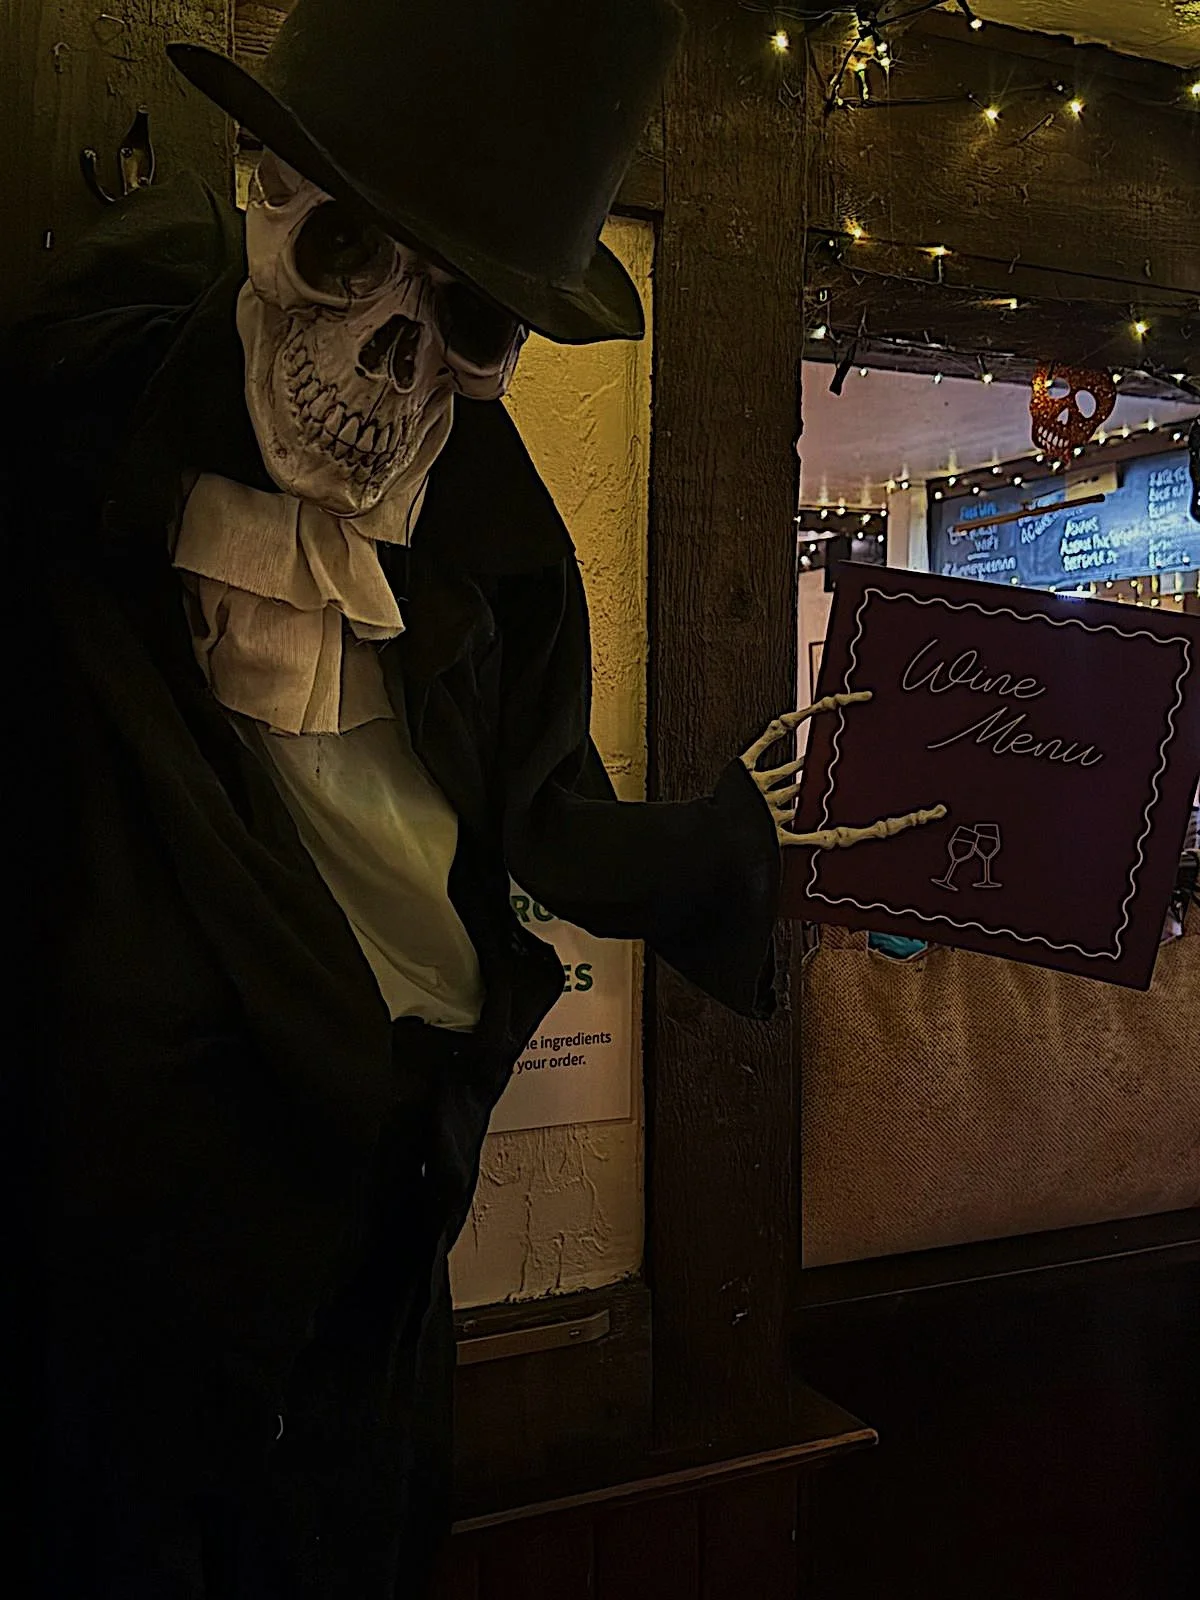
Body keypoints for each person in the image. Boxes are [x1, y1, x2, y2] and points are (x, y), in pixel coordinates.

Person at [4, 2, 935, 1591]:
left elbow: (546, 812)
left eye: (468, 324)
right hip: (125, 1206)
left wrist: (729, 842)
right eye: (349, 257)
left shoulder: (490, 543)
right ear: (258, 186)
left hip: (386, 1184)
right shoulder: (76, 440)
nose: (388, 367)